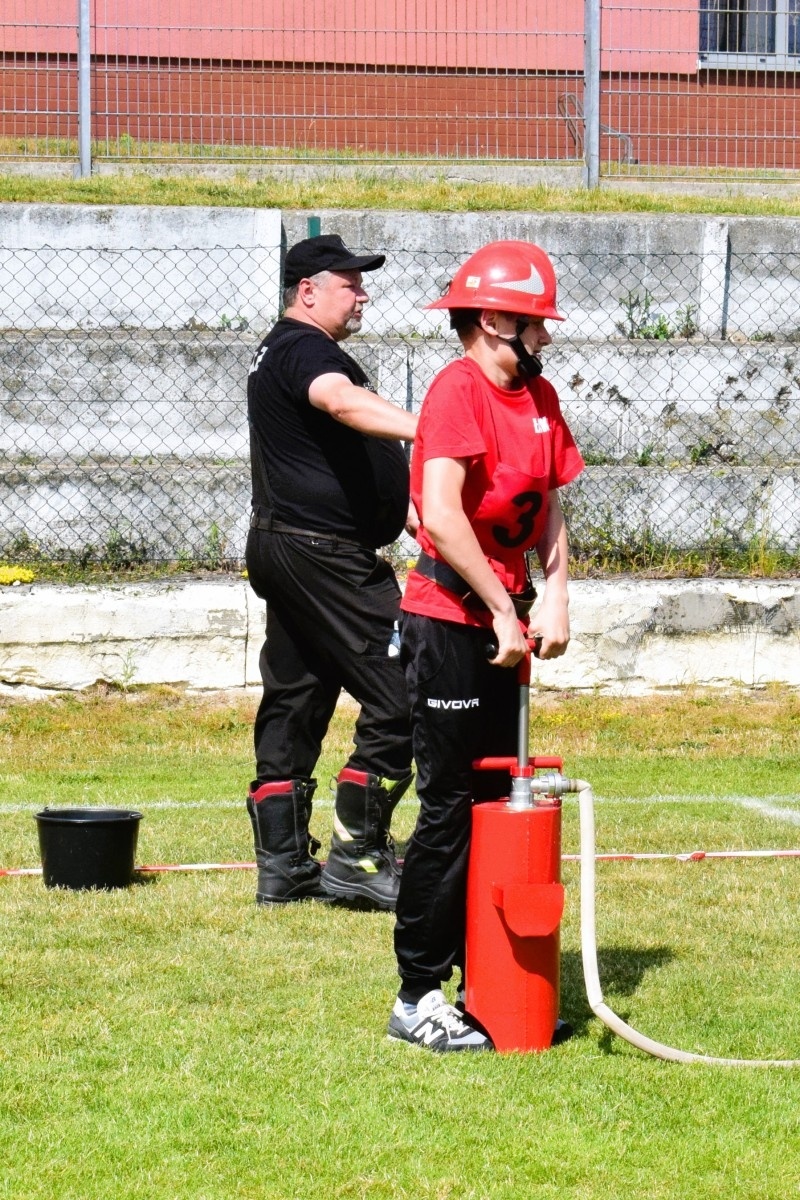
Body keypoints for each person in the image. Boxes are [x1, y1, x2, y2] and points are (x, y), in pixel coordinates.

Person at [387, 240, 585, 1051]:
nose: (544, 337)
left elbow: (550, 504)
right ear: (494, 319)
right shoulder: (455, 392)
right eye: (534, 323)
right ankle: (416, 997)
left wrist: (560, 588)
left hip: (504, 622)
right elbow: (440, 515)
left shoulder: (539, 397)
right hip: (448, 623)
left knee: (500, 804)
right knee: (449, 808)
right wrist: (504, 608)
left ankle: (491, 984)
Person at [245, 233, 417, 912]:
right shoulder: (305, 350)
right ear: (308, 290)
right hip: (323, 553)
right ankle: (358, 857)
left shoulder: (282, 349)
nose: (363, 293)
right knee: (406, 685)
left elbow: (342, 454)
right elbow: (340, 404)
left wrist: (405, 510)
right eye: (350, 283)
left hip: (289, 545)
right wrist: (433, 431)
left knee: (297, 697)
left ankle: (283, 868)